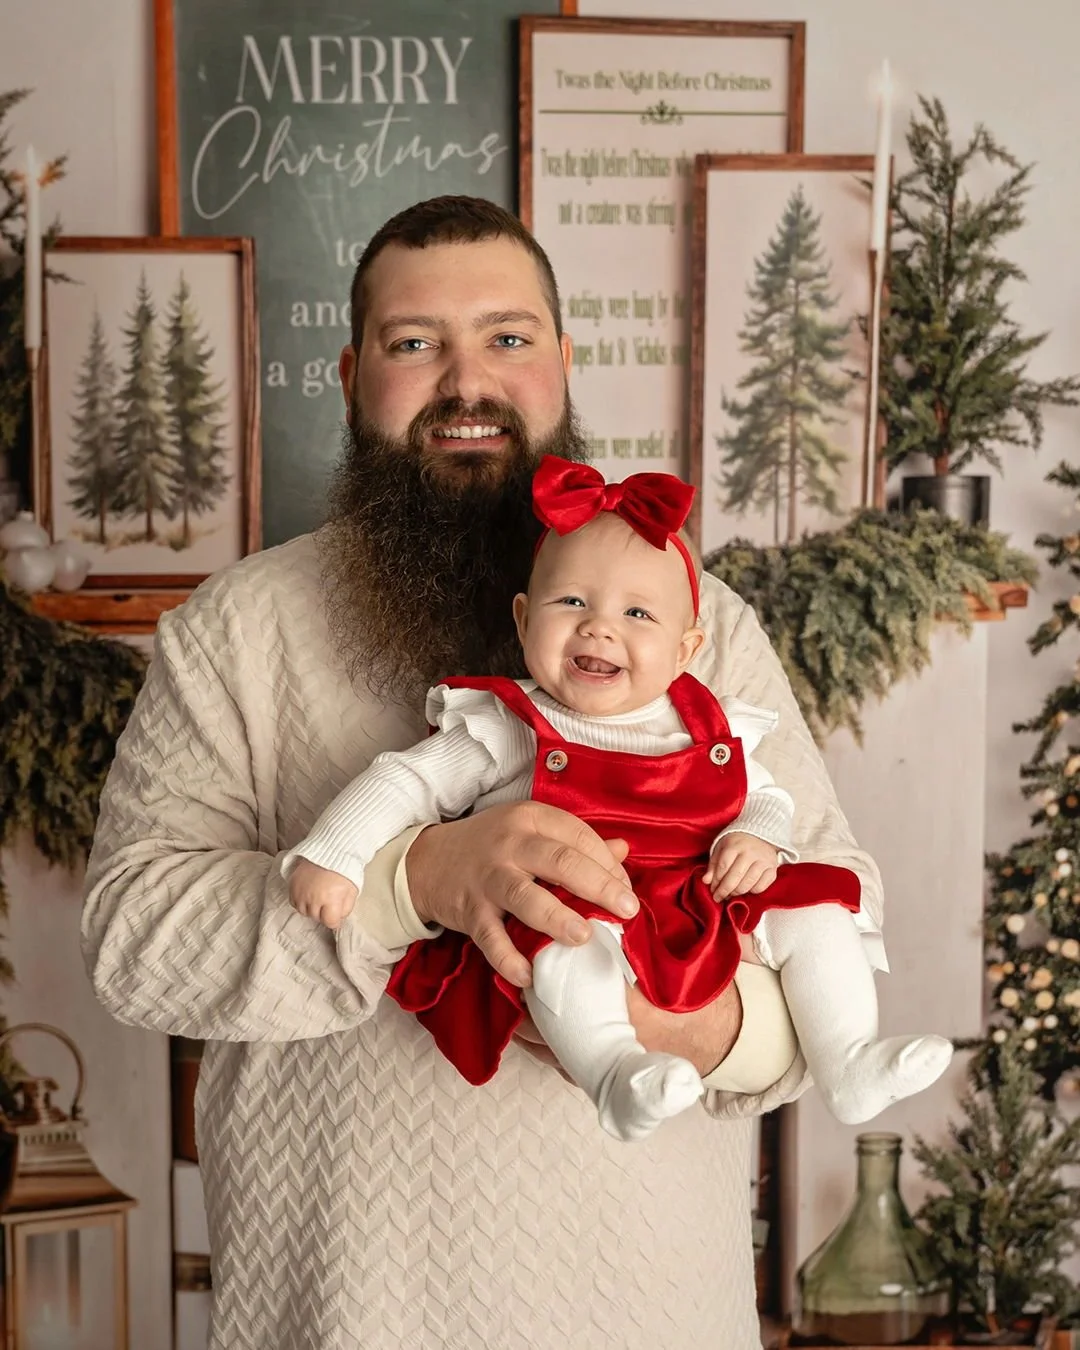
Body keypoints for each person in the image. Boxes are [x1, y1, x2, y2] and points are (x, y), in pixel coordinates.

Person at [83, 195, 886, 1349]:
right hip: (339, 1320)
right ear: (356, 374)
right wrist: (409, 884)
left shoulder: (706, 624)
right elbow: (131, 942)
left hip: (653, 1317)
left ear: (561, 363)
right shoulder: (241, 628)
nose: (468, 382)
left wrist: (702, 1030)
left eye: (507, 338)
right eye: (417, 345)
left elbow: (834, 897)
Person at [285, 454, 950, 1139]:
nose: (600, 628)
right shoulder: (513, 727)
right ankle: (615, 1072)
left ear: (687, 649)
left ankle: (849, 1061)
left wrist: (758, 838)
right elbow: (406, 778)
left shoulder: (713, 726)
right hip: (586, 902)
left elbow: (764, 795)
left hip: (704, 899)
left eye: (637, 613)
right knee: (565, 944)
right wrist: (335, 852)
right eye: (572, 601)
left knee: (817, 908)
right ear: (522, 620)